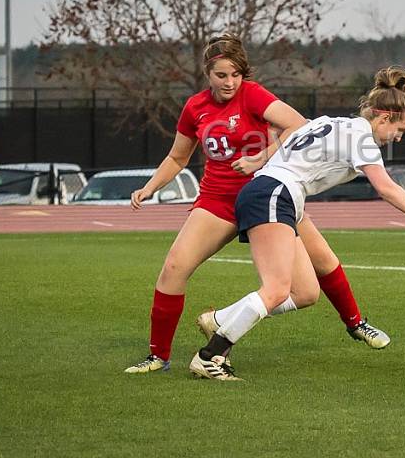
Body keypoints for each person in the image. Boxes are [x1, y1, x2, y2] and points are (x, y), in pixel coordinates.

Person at [124, 35, 390, 375]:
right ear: (208, 73)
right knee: (173, 269)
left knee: (315, 276)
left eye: (236, 74)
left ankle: (356, 323)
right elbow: (177, 157)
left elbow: (297, 124)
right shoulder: (195, 107)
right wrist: (150, 187)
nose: (230, 82)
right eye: (222, 75)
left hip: (269, 194)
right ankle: (158, 356)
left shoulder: (252, 94)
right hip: (217, 202)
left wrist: (261, 157)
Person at [191, 66, 405, 380]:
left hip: (274, 193)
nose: (397, 137)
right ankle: (209, 356)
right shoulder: (362, 138)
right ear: (384, 118)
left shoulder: (331, 123)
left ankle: (220, 319)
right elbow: (386, 187)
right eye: (399, 130)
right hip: (275, 194)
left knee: (305, 293)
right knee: (276, 290)